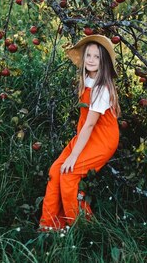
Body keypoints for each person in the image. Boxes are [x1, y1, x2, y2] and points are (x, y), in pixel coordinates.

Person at [38, 34, 120, 231]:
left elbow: (91, 125)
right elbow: (86, 125)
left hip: (102, 138)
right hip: (86, 134)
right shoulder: (86, 79)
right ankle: (49, 224)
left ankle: (81, 226)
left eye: (97, 57)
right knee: (55, 171)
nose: (91, 60)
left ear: (104, 62)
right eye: (88, 55)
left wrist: (74, 156)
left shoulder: (102, 89)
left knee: (69, 174)